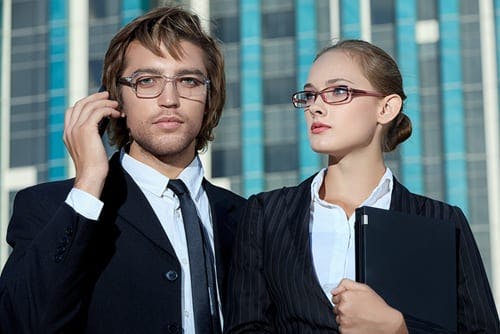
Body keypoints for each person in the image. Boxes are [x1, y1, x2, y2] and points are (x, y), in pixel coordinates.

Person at [223, 39, 499, 333]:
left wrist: (399, 329)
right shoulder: (265, 214)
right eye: (311, 95)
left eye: (338, 91)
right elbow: (244, 327)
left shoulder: (442, 221)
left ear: (386, 108)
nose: (315, 107)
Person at [0, 5, 245, 334]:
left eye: (188, 80)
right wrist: (89, 182)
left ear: (209, 96)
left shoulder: (248, 219)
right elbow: (23, 323)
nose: (169, 98)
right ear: (116, 100)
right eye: (147, 81)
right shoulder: (50, 207)